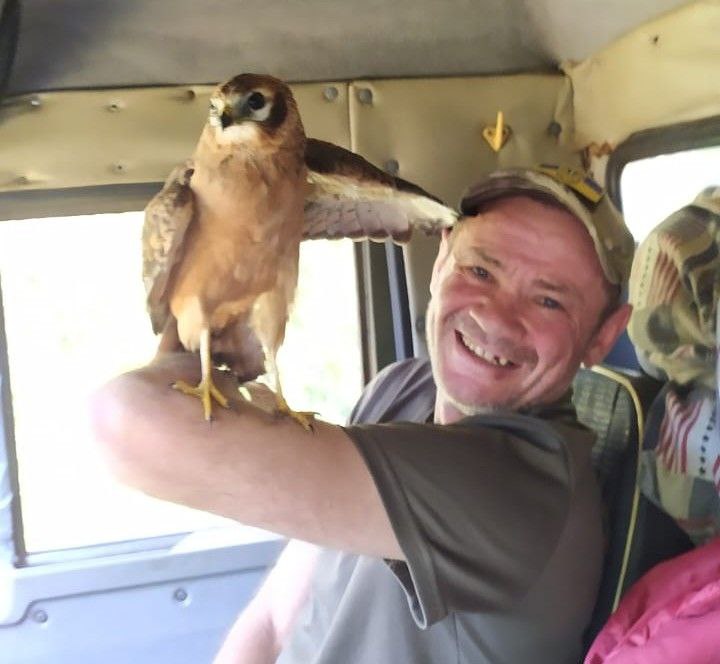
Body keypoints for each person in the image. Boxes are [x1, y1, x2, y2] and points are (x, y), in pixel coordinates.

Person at [90, 166, 635, 664]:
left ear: (604, 336)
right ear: (440, 260)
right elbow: (277, 618)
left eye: (549, 302)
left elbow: (129, 424)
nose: (497, 316)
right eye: (479, 270)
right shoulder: (402, 388)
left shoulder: (521, 490)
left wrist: (198, 310)